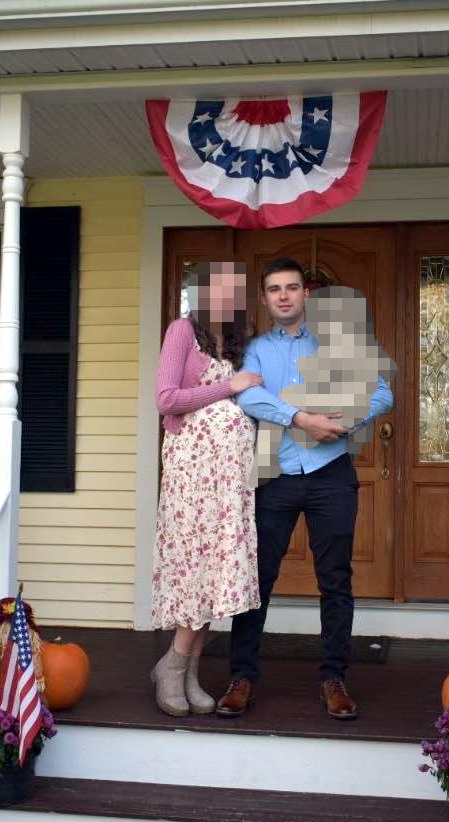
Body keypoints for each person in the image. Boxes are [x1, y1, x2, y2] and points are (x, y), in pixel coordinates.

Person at [216, 257, 394, 721]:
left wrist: (340, 421)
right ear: (264, 298)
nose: (283, 296)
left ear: (305, 295)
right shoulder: (256, 350)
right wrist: (300, 418)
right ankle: (242, 678)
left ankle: (334, 678)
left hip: (330, 473)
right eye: (274, 289)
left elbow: (382, 393)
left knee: (335, 580)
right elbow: (247, 395)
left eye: (291, 287)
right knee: (257, 581)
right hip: (274, 475)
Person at [150, 261, 262, 717]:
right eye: (215, 289)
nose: (223, 298)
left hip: (228, 481)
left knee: (219, 570)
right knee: (193, 565)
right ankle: (173, 667)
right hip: (191, 476)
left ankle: (190, 672)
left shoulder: (236, 344)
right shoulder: (183, 332)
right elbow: (167, 398)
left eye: (231, 291)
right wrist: (228, 388)